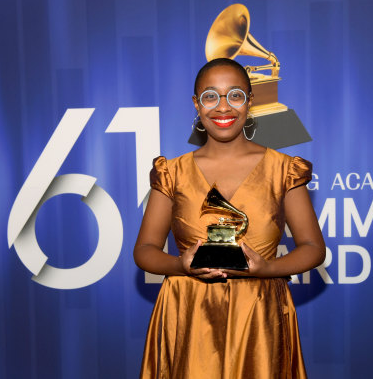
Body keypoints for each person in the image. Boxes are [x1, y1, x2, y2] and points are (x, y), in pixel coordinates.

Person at [134, 58, 326, 379]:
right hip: (187, 311)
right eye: (211, 96)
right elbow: (145, 250)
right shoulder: (172, 172)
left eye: (235, 95)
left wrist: (268, 269)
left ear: (251, 101)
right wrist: (179, 265)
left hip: (258, 313)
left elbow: (312, 247)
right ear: (196, 104)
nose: (223, 107)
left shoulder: (283, 169)